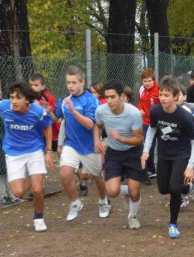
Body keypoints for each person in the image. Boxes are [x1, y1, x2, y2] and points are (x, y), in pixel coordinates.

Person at [0, 81, 54, 231]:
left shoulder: (36, 111)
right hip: (13, 152)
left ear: (27, 100)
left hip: (34, 150)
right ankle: (34, 179)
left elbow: (48, 126)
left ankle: (39, 217)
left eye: (18, 98)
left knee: (37, 190)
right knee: (18, 192)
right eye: (11, 97)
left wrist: (49, 152)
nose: (14, 101)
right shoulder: (4, 106)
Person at [141, 77, 194, 239]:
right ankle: (192, 184)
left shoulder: (184, 116)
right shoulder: (155, 111)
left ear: (175, 97)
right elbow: (152, 129)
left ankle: (172, 223)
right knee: (163, 189)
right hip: (164, 155)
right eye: (161, 95)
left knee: (174, 189)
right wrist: (146, 150)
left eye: (167, 95)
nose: (163, 98)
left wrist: (190, 166)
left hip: (182, 155)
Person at [50, 66, 111, 221]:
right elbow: (56, 118)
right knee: (65, 173)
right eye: (68, 82)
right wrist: (45, 111)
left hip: (91, 145)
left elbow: (90, 125)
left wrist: (74, 111)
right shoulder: (64, 101)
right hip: (71, 144)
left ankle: (104, 201)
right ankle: (75, 203)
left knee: (96, 176)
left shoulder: (91, 100)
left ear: (82, 82)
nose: (70, 86)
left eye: (74, 82)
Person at [94, 80, 145, 230]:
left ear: (122, 96)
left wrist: (120, 138)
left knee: (135, 191)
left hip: (133, 153)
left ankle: (133, 216)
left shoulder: (133, 113)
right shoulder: (101, 111)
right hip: (114, 154)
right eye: (106, 97)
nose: (109, 101)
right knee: (112, 191)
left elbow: (138, 139)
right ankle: (127, 192)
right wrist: (97, 140)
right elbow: (97, 126)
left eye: (112, 97)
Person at [176, 84, 194, 207]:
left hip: (190, 143)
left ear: (184, 96)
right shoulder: (167, 108)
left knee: (185, 167)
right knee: (180, 169)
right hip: (176, 144)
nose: (176, 97)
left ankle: (183, 196)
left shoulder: (190, 107)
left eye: (179, 94)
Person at [29, 73, 61, 153]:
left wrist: (47, 111)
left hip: (53, 133)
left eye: (36, 85)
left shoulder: (48, 97)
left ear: (43, 86)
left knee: (60, 152)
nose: (32, 87)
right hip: (37, 133)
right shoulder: (27, 97)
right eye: (31, 85)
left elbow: (56, 119)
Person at [138, 68, 160, 182]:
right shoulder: (141, 89)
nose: (146, 83)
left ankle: (163, 169)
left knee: (162, 146)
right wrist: (140, 110)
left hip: (160, 123)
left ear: (154, 80)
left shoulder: (159, 90)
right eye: (144, 81)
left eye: (149, 81)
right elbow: (140, 101)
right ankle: (150, 170)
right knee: (148, 146)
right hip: (147, 122)